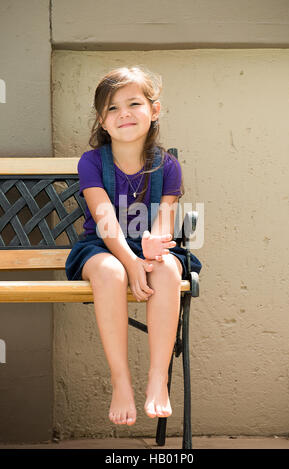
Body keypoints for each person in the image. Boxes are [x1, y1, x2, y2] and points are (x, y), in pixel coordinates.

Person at [65, 66, 202, 427]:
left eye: (134, 103)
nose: (123, 113)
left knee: (169, 268)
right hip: (101, 247)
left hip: (145, 250)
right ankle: (121, 380)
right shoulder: (92, 161)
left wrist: (154, 247)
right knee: (110, 272)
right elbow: (104, 217)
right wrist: (128, 260)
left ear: (154, 110)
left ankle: (158, 378)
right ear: (102, 121)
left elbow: (163, 219)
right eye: (112, 108)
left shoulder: (167, 166)